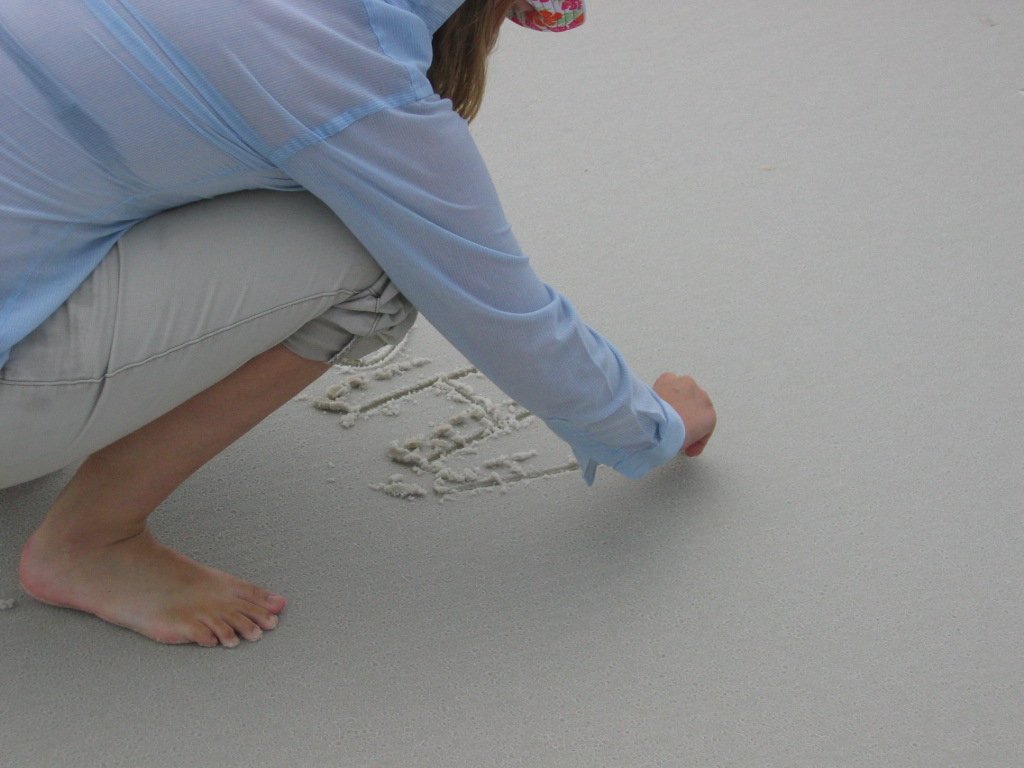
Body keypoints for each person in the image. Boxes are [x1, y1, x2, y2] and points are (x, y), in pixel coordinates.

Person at [0, 0, 716, 648]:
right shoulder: (349, 68)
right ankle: (92, 542)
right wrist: (651, 425)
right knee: (367, 257)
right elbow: (505, 312)